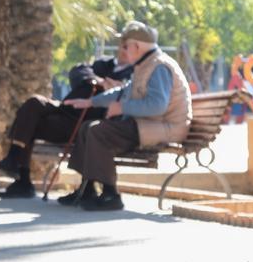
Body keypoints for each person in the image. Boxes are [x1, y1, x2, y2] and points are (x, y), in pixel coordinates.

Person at [61, 22, 192, 211]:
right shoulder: (145, 64)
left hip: (165, 128)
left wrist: (122, 108)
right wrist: (91, 102)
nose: (122, 50)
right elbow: (123, 92)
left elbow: (158, 105)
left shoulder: (159, 67)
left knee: (99, 131)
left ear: (137, 46)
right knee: (87, 127)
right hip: (150, 125)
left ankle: (110, 195)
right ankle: (86, 188)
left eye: (125, 46)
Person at [0, 35, 137, 198]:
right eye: (122, 46)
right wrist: (97, 81)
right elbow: (79, 70)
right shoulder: (103, 63)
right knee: (33, 104)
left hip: (83, 120)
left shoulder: (133, 73)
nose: (123, 50)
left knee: (33, 123)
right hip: (66, 107)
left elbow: (123, 94)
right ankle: (15, 162)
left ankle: (23, 177)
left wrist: (112, 87)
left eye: (127, 47)